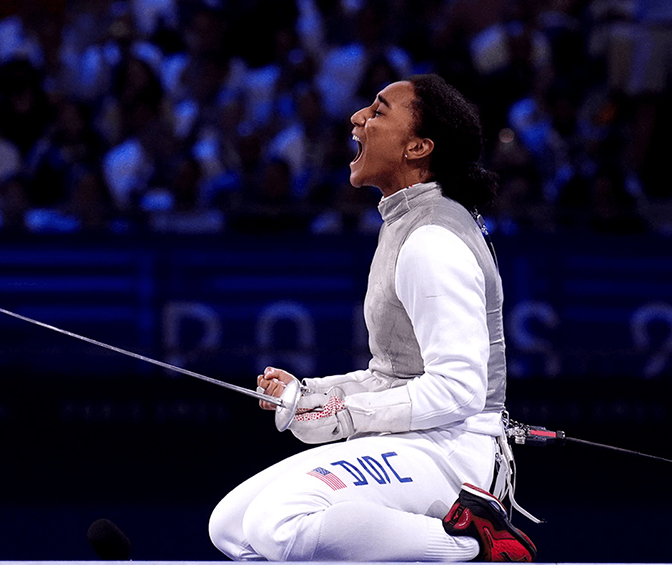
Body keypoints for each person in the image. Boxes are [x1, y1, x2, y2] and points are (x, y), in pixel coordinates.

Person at [208, 74, 537, 562]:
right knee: (231, 527)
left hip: (454, 452)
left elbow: (459, 390)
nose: (357, 118)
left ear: (418, 147)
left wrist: (343, 414)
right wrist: (314, 394)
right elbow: (394, 376)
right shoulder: (404, 224)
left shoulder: (433, 240)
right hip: (417, 440)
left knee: (276, 522)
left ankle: (475, 546)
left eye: (379, 111)